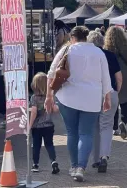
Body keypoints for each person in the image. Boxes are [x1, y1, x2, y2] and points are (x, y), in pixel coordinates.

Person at [45, 26, 112, 182]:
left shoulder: (66, 50)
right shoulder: (98, 52)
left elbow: (51, 73)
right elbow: (105, 77)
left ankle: (74, 166)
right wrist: (107, 97)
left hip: (68, 98)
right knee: (86, 133)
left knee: (72, 132)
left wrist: (49, 95)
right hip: (92, 98)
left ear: (72, 37)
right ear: (86, 37)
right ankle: (81, 167)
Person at [87, 31, 122, 173]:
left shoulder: (87, 57)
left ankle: (95, 159)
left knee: (94, 127)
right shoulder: (110, 55)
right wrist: (116, 92)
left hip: (92, 95)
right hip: (109, 92)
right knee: (106, 126)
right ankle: (104, 157)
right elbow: (119, 77)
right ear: (102, 42)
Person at [29, 72, 59, 174]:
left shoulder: (34, 98)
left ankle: (35, 164)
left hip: (37, 127)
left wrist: (30, 125)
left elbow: (33, 112)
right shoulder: (50, 97)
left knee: (36, 145)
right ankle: (53, 161)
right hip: (49, 125)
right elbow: (55, 109)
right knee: (49, 144)